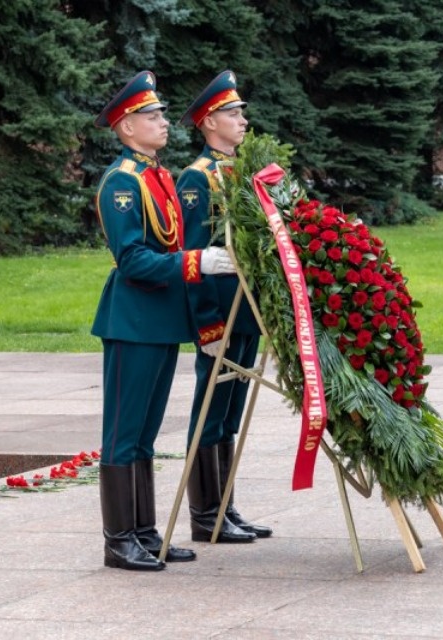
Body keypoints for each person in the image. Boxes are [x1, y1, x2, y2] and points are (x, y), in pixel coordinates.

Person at [92, 70, 238, 571]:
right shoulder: (122, 184)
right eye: (151, 116)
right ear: (127, 127)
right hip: (132, 318)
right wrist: (197, 263)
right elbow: (132, 259)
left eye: (159, 114)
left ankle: (145, 532)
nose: (163, 122)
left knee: (147, 433)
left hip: (158, 320)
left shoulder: (157, 175)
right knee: (124, 431)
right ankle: (118, 539)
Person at [176, 70, 271, 544]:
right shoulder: (198, 178)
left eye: (241, 112)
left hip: (247, 311)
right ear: (210, 121)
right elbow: (195, 256)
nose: (242, 120)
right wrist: (207, 324)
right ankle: (205, 514)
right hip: (220, 312)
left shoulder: (243, 171)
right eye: (233, 114)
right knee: (210, 411)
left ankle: (225, 508)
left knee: (230, 412)